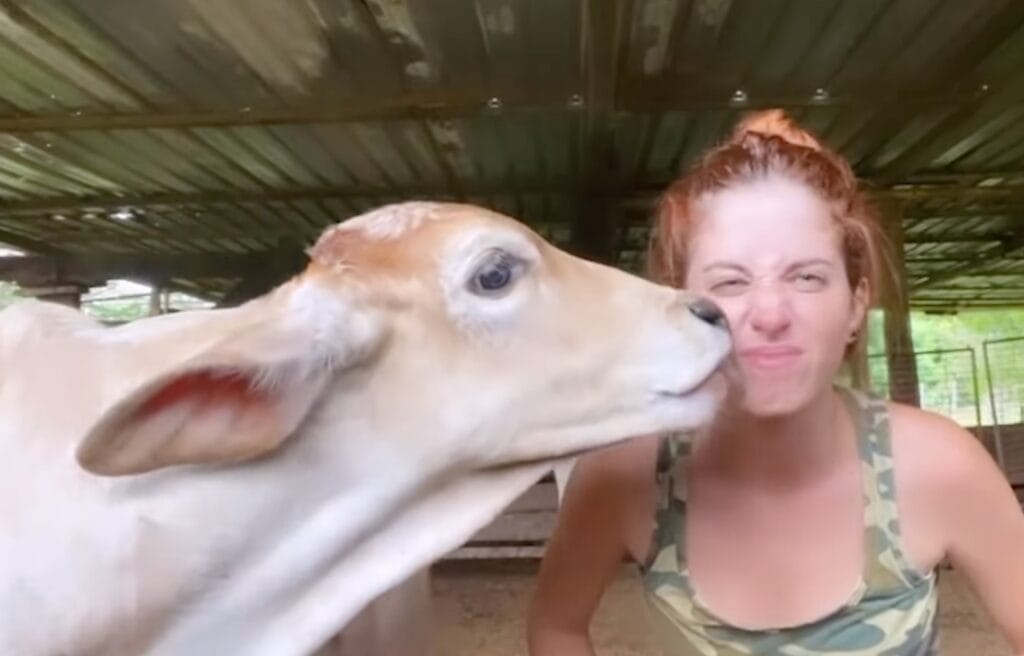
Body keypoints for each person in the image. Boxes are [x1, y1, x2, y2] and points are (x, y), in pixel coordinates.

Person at [526, 109, 1024, 655]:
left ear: (856, 305)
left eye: (807, 277)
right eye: (731, 281)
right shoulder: (622, 475)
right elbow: (557, 627)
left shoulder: (939, 465)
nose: (769, 313)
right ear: (681, 306)